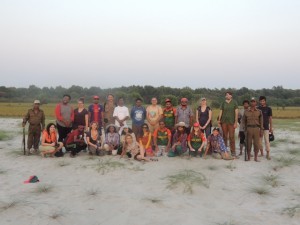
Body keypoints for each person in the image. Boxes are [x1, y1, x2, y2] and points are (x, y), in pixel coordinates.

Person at [218, 91, 239, 158]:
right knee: (224, 136)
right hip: (224, 122)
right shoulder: (223, 103)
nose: (226, 96)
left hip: (231, 122)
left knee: (231, 137)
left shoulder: (234, 102)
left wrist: (236, 122)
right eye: (226, 95)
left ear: (231, 96)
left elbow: (236, 113)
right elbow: (221, 111)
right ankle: (225, 150)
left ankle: (233, 152)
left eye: (228, 95)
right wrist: (219, 120)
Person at [243, 98, 264, 162]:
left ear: (256, 103)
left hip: (256, 129)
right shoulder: (246, 112)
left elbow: (261, 122)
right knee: (248, 143)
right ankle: (249, 157)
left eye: (254, 102)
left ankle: (255, 158)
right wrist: (245, 130)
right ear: (250, 103)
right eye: (251, 102)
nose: (252, 103)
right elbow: (244, 121)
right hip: (249, 129)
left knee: (256, 144)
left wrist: (261, 130)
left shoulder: (259, 112)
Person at [258, 96, 273, 160]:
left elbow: (270, 118)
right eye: (261, 101)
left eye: (263, 101)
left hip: (266, 127)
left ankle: (268, 153)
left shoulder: (269, 109)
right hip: (259, 128)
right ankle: (261, 153)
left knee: (267, 141)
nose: (262, 102)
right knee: (259, 141)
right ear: (259, 101)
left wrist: (271, 127)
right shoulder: (257, 108)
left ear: (265, 101)